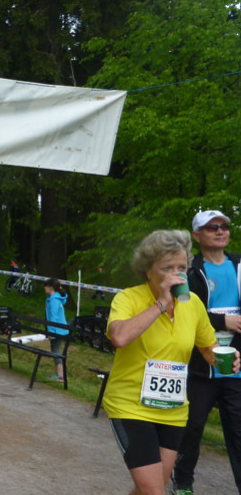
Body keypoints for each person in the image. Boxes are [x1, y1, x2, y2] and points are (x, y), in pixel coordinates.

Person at [103, 230, 240, 495]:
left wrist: (225, 358)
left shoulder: (193, 304)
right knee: (154, 491)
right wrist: (161, 303)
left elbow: (208, 347)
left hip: (173, 409)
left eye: (181, 267)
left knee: (149, 489)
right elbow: (119, 337)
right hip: (131, 406)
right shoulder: (128, 298)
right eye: (167, 268)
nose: (176, 274)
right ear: (148, 270)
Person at [173, 210, 241, 494]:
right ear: (197, 235)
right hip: (201, 365)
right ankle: (183, 481)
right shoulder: (189, 270)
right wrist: (222, 321)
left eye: (223, 226)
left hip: (235, 364)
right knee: (193, 427)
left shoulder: (239, 264)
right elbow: (182, 310)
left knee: (238, 431)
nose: (220, 231)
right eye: (212, 227)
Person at [43, 278, 68, 382]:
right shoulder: (51, 299)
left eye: (46, 286)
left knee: (56, 350)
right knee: (54, 350)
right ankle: (59, 374)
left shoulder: (54, 301)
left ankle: (61, 375)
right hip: (58, 329)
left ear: (51, 287)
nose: (44, 288)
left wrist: (51, 332)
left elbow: (53, 318)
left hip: (57, 330)